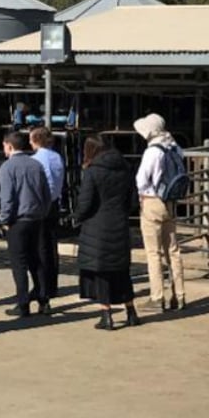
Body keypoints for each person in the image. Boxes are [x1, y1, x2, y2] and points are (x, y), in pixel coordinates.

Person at [75, 135, 140, 331]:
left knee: (102, 271)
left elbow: (85, 203)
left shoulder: (93, 172)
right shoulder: (125, 169)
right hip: (119, 223)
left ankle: (106, 315)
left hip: (97, 226)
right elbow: (134, 201)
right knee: (121, 270)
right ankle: (131, 312)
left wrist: (77, 217)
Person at [134, 113, 186, 311]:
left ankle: (157, 297)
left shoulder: (152, 151)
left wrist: (141, 197)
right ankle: (179, 295)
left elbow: (141, 180)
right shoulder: (175, 147)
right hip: (171, 203)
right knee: (173, 250)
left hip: (152, 201)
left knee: (153, 253)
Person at [0, 130, 51, 317]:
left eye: (5, 146)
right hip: (36, 218)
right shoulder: (36, 165)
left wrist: (4, 219)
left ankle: (23, 303)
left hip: (17, 220)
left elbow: (7, 197)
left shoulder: (7, 167)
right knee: (36, 260)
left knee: (19, 263)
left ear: (10, 146)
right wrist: (43, 212)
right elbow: (46, 193)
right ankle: (44, 300)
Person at [30, 126, 64, 299]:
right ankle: (52, 284)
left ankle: (42, 287)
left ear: (35, 140)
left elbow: (47, 181)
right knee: (51, 245)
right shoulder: (57, 156)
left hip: (43, 203)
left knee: (40, 247)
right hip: (54, 203)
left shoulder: (37, 159)